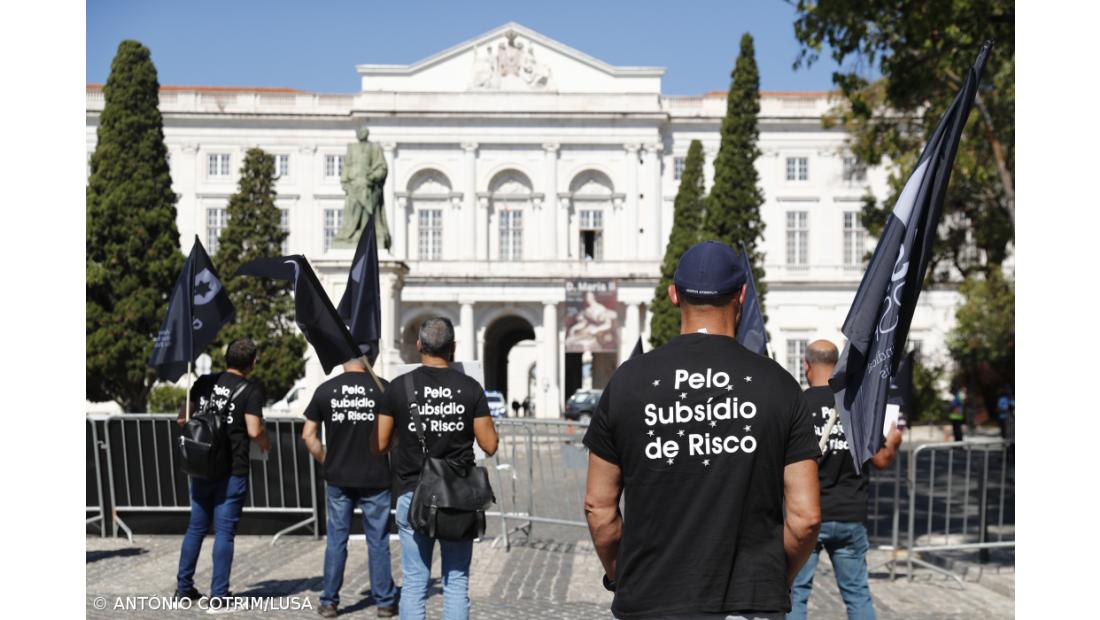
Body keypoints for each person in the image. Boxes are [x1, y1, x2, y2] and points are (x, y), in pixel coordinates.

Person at [583, 241, 822, 619]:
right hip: (750, 601)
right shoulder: (779, 385)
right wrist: (776, 579)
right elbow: (805, 517)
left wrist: (622, 574)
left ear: (673, 295)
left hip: (651, 599)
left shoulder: (628, 382)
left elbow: (599, 507)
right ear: (741, 294)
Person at [372, 317, 499, 620]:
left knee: (415, 582)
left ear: (418, 345)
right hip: (457, 496)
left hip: (413, 494)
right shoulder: (470, 388)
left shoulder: (399, 387)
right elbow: (490, 445)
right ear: (453, 348)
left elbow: (378, 445)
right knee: (456, 581)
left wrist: (406, 432)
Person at [787, 340, 903, 620]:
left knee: (795, 595)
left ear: (806, 365)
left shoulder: (796, 405)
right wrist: (894, 442)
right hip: (850, 514)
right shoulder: (855, 406)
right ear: (837, 365)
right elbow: (881, 460)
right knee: (857, 594)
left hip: (806, 514)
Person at [174, 338, 270, 607]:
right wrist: (266, 443)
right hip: (232, 469)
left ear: (226, 358)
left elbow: (182, 418)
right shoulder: (250, 390)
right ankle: (219, 595)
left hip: (201, 466)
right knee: (224, 532)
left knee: (196, 528)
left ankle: (183, 588)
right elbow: (254, 430)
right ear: (253, 363)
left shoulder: (204, 382)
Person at [302, 358, 398, 618]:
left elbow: (308, 435)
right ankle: (385, 602)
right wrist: (383, 452)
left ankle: (329, 601)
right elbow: (395, 435)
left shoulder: (326, 389)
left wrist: (326, 458)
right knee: (377, 541)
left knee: (336, 540)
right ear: (369, 360)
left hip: (338, 476)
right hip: (375, 476)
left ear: (342, 360)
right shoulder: (383, 388)